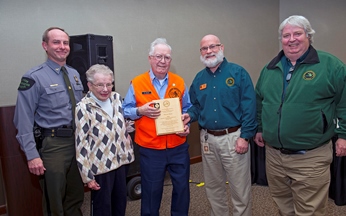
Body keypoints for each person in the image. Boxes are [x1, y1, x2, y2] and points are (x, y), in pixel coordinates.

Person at [254, 15, 346, 216]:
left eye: (297, 33)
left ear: (309, 36)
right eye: (286, 35)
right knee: (283, 206)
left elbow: (344, 102)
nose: (291, 39)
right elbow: (260, 101)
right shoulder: (269, 69)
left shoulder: (331, 66)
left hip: (311, 156)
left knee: (310, 211)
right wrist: (261, 128)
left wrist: (343, 135)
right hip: (274, 156)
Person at [13, 27, 84, 215]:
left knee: (76, 196)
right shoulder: (34, 77)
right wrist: (32, 154)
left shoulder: (74, 74)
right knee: (55, 201)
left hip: (77, 143)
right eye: (56, 42)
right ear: (45, 45)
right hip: (54, 146)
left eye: (65, 42)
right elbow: (23, 119)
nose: (62, 47)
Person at [185, 34, 257, 216]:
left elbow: (250, 107)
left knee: (240, 189)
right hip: (208, 140)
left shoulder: (238, 73)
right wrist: (188, 116)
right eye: (204, 48)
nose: (209, 51)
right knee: (213, 187)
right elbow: (195, 107)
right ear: (200, 52)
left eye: (212, 46)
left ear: (221, 47)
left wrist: (245, 137)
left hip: (234, 139)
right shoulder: (199, 79)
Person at [122, 38, 192, 216]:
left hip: (178, 146)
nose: (163, 61)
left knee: (182, 189)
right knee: (151, 192)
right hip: (151, 148)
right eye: (158, 56)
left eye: (167, 57)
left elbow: (188, 108)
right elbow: (125, 110)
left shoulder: (179, 81)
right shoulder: (137, 83)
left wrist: (186, 121)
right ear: (150, 58)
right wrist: (141, 110)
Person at [75, 64, 135, 216]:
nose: (105, 89)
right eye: (100, 85)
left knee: (120, 204)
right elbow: (81, 144)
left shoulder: (116, 98)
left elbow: (121, 122)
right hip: (101, 166)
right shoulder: (83, 107)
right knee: (102, 208)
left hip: (121, 161)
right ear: (89, 85)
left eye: (109, 84)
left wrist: (128, 129)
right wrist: (87, 177)